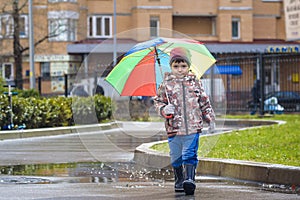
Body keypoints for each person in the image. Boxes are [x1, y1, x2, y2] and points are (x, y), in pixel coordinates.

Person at [154, 47, 216, 195]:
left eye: (183, 66)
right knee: (176, 157)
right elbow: (158, 102)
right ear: (171, 67)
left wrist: (210, 119)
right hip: (174, 128)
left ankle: (189, 179)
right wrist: (164, 109)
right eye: (176, 66)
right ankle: (179, 179)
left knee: (190, 154)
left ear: (189, 67)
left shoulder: (196, 83)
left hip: (193, 127)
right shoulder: (165, 85)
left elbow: (204, 103)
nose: (180, 70)